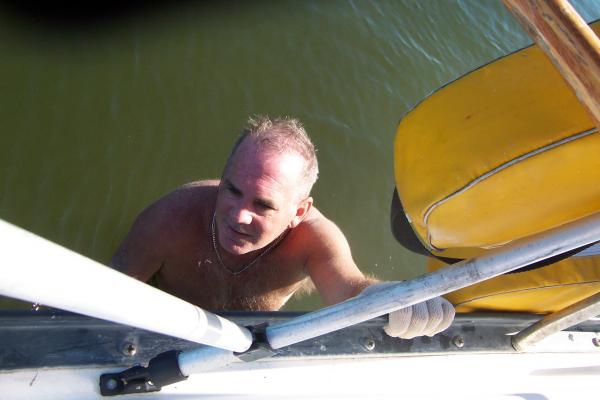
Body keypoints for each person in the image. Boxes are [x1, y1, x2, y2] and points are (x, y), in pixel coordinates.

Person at [111, 116, 454, 339]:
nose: (239, 215)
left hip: (249, 346)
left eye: (263, 204)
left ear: (299, 211)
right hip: (162, 328)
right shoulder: (170, 218)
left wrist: (387, 301)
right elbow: (113, 292)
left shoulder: (312, 240)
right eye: (232, 189)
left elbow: (349, 289)